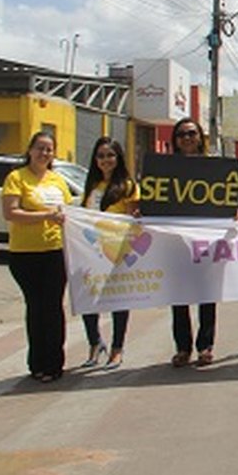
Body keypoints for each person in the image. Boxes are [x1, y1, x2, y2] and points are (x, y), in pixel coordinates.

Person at [1, 131, 71, 383]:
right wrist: (45, 216)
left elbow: (69, 211)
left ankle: (54, 364)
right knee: (36, 308)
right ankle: (37, 363)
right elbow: (11, 213)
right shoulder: (16, 178)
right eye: (40, 148)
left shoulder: (57, 180)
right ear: (29, 150)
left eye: (49, 149)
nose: (44, 153)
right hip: (25, 255)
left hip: (55, 252)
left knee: (53, 308)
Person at [79, 137, 139, 370]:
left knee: (118, 300)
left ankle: (117, 349)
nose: (106, 160)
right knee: (88, 300)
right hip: (90, 251)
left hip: (116, 253)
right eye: (101, 156)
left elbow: (134, 220)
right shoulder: (91, 185)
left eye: (110, 155)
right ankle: (95, 343)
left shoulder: (128, 185)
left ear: (118, 158)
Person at [169, 118, 219, 367]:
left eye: (191, 133)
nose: (187, 138)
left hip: (204, 240)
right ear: (175, 140)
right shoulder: (165, 169)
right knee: (179, 296)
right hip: (176, 243)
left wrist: (232, 211)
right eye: (181, 135)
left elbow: (224, 197)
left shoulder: (211, 167)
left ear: (200, 137)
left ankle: (205, 346)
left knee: (206, 295)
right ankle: (182, 347)